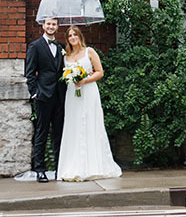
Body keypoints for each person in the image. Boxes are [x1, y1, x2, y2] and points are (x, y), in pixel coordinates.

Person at [57, 25, 122, 181]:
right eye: (70, 36)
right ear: (67, 39)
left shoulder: (89, 52)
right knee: (75, 126)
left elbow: (100, 72)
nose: (73, 38)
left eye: (75, 35)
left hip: (89, 92)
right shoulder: (66, 57)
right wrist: (72, 79)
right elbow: (64, 75)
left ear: (80, 37)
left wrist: (84, 80)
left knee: (91, 124)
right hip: (73, 94)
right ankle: (74, 166)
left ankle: (94, 166)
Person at [25, 17, 66, 181]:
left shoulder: (61, 46)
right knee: (41, 133)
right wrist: (34, 93)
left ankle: (59, 168)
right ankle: (40, 170)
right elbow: (30, 72)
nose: (51, 26)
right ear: (43, 26)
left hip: (60, 96)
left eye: (54, 24)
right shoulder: (35, 46)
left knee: (59, 133)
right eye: (48, 24)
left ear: (57, 27)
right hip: (43, 96)